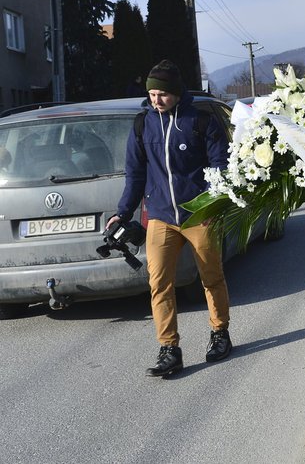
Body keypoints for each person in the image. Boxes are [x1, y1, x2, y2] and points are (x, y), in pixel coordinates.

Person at [108, 60, 232, 378]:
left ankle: (219, 332)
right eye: (152, 94)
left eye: (163, 94)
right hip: (161, 217)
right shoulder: (142, 125)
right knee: (159, 283)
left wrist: (212, 200)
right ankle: (169, 348)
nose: (156, 100)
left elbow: (220, 163)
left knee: (211, 277)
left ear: (176, 93)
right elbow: (135, 176)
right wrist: (122, 212)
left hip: (198, 214)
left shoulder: (200, 121)